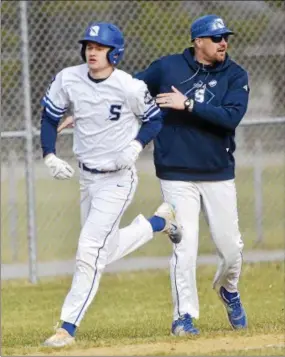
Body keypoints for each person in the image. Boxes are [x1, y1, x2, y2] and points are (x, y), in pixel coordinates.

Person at [40, 22, 182, 347]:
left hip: (118, 180)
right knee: (104, 250)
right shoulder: (69, 79)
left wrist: (135, 146)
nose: (92, 51)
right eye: (89, 45)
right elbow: (49, 117)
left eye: (99, 47)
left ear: (114, 53)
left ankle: (67, 327)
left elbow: (155, 118)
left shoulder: (129, 86)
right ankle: (159, 223)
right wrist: (49, 155)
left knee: (89, 250)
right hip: (87, 178)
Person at [135, 14, 250, 335]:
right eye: (216, 38)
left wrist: (187, 105)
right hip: (175, 173)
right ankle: (183, 317)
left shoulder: (236, 74)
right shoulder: (167, 68)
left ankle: (228, 288)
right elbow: (128, 88)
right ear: (197, 41)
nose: (223, 42)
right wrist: (91, 111)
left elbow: (230, 118)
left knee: (231, 249)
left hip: (218, 172)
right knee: (185, 246)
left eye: (225, 37)